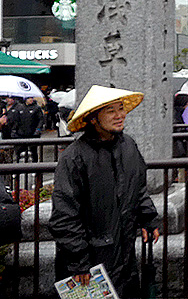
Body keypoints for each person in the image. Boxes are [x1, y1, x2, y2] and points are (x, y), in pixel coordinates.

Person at [50, 85, 159, 299]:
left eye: (121, 109)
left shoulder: (128, 146)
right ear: (93, 118)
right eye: (111, 111)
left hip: (125, 251)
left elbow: (138, 187)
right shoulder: (74, 157)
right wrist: (79, 261)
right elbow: (64, 213)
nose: (120, 116)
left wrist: (148, 217)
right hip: (90, 258)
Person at [7, 95, 44, 162]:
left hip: (33, 133)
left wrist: (38, 129)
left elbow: (41, 119)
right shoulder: (20, 108)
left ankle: (36, 167)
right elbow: (16, 120)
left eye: (31, 98)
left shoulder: (36, 108)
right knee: (20, 152)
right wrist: (14, 130)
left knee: (33, 151)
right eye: (29, 98)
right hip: (21, 134)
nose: (31, 100)